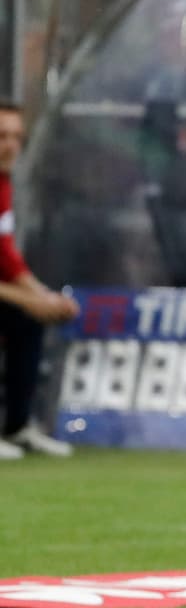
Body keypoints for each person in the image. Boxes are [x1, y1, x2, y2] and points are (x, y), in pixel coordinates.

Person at [0, 101, 79, 460]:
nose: (11, 145)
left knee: (27, 320)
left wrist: (43, 297)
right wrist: (27, 299)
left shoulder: (3, 184)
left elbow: (7, 256)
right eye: (1, 136)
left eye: (17, 137)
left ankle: (17, 427)